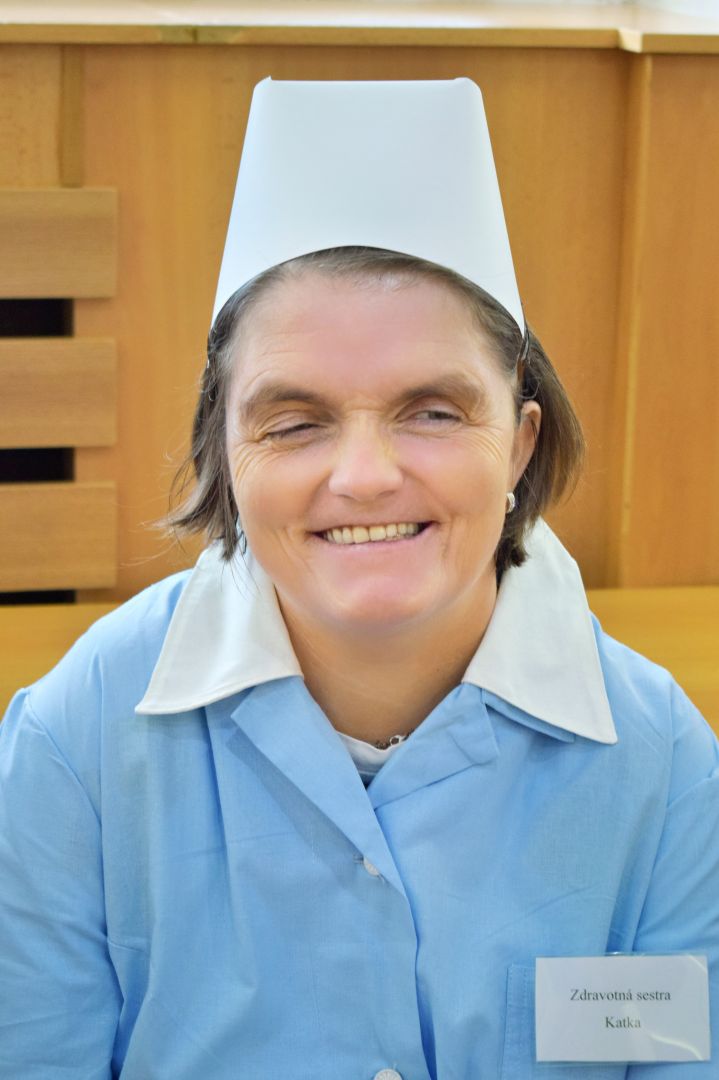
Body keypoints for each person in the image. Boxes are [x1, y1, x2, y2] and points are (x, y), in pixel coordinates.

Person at [1, 78, 717, 1080]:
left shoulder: (663, 767)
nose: (365, 475)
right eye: (295, 423)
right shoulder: (75, 741)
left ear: (519, 445)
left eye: (432, 412)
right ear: (225, 457)